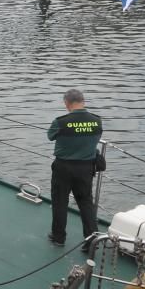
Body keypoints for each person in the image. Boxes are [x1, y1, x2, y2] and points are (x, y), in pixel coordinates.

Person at [47, 89, 104, 249]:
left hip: (63, 167)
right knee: (86, 203)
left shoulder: (61, 121)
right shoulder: (97, 121)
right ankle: (91, 241)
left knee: (60, 202)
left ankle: (59, 237)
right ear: (83, 101)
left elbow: (50, 136)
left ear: (67, 103)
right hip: (86, 168)